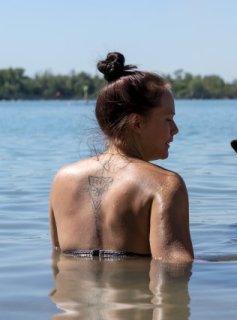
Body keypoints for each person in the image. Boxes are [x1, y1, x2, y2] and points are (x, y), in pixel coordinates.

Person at [49, 52, 194, 262]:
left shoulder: (62, 179)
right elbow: (174, 270)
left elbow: (56, 260)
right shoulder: (164, 185)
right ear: (137, 123)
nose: (175, 129)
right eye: (168, 119)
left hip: (72, 295)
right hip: (134, 295)